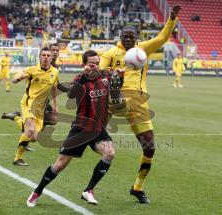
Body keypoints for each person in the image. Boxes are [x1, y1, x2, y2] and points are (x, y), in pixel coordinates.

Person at [99, 5, 182, 204]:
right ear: (120, 37)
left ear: (136, 38)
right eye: (124, 36)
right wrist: (110, 73)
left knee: (150, 148)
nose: (127, 39)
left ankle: (137, 187)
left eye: (131, 37)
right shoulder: (111, 53)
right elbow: (101, 71)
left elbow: (162, 38)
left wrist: (171, 19)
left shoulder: (143, 49)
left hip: (138, 103)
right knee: (94, 130)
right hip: (116, 99)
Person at [26, 50, 124, 207]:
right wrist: (84, 75)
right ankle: (37, 191)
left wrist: (120, 78)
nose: (95, 67)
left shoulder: (105, 76)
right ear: (84, 64)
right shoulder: (79, 79)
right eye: (91, 64)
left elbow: (117, 99)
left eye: (97, 63)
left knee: (110, 153)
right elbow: (71, 96)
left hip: (98, 128)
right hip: (80, 128)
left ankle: (88, 190)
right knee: (59, 165)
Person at [1, 43, 69, 152]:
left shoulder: (55, 68)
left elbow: (54, 86)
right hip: (34, 101)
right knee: (44, 124)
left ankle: (19, 121)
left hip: (44, 101)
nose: (55, 52)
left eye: (57, 50)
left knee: (52, 120)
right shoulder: (41, 66)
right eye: (53, 50)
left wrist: (56, 104)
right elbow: (25, 75)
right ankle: (26, 136)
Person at [12, 46, 59, 166]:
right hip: (28, 102)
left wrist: (54, 105)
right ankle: (18, 158)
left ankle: (16, 118)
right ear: (40, 57)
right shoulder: (32, 70)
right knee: (30, 130)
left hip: (40, 108)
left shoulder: (55, 72)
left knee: (33, 137)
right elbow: (16, 78)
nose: (46, 57)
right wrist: (17, 78)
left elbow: (54, 88)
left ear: (51, 58)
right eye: (44, 55)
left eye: (48, 56)